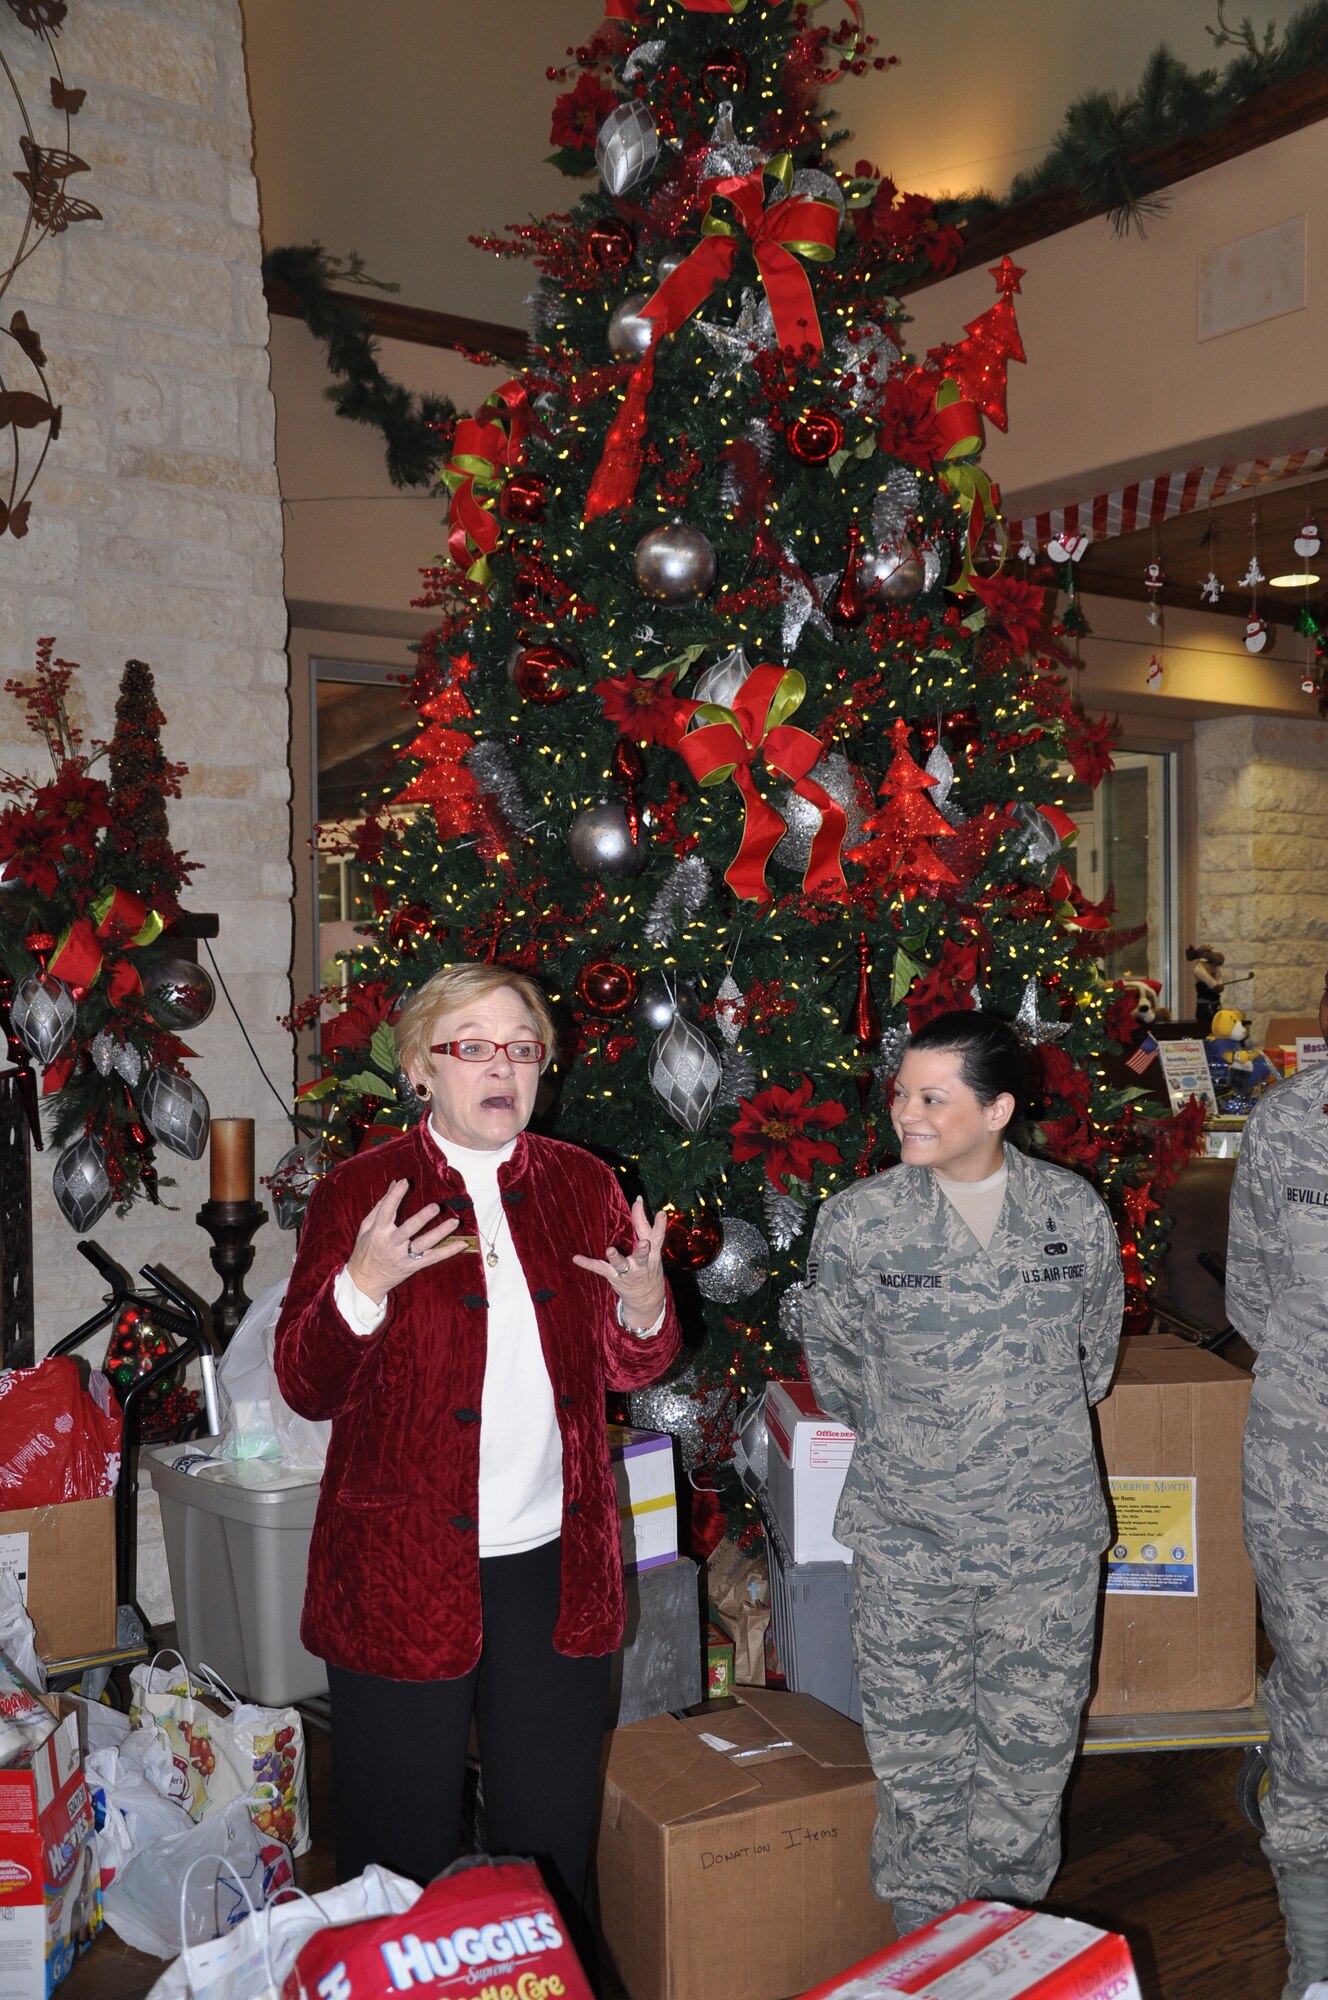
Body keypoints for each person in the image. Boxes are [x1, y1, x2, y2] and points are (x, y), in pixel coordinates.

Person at [274, 962, 680, 1957]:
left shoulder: (581, 1183)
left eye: (520, 1045)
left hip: (550, 1562)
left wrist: (640, 1304)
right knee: (393, 1856)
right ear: (421, 1067)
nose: (501, 1065)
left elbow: (630, 1364)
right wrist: (362, 1282)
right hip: (400, 1567)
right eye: (472, 1045)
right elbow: (303, 1384)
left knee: (549, 1841)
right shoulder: (360, 1192)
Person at [800, 1009, 1123, 1935]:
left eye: (933, 1097)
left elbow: (1091, 1363)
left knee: (1029, 1767)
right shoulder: (858, 1223)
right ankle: (926, 1966)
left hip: (1045, 1548)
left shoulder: (1071, 1212)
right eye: (902, 1093)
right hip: (913, 1546)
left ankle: (1001, 1963)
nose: (906, 1112)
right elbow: (842, 1379)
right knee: (919, 1774)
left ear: (998, 1109)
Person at [1225, 971, 1328, 2000]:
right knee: (1312, 1694)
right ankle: (1315, 1954)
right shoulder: (1287, 1121)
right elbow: (1251, 1289)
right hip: (1304, 1466)